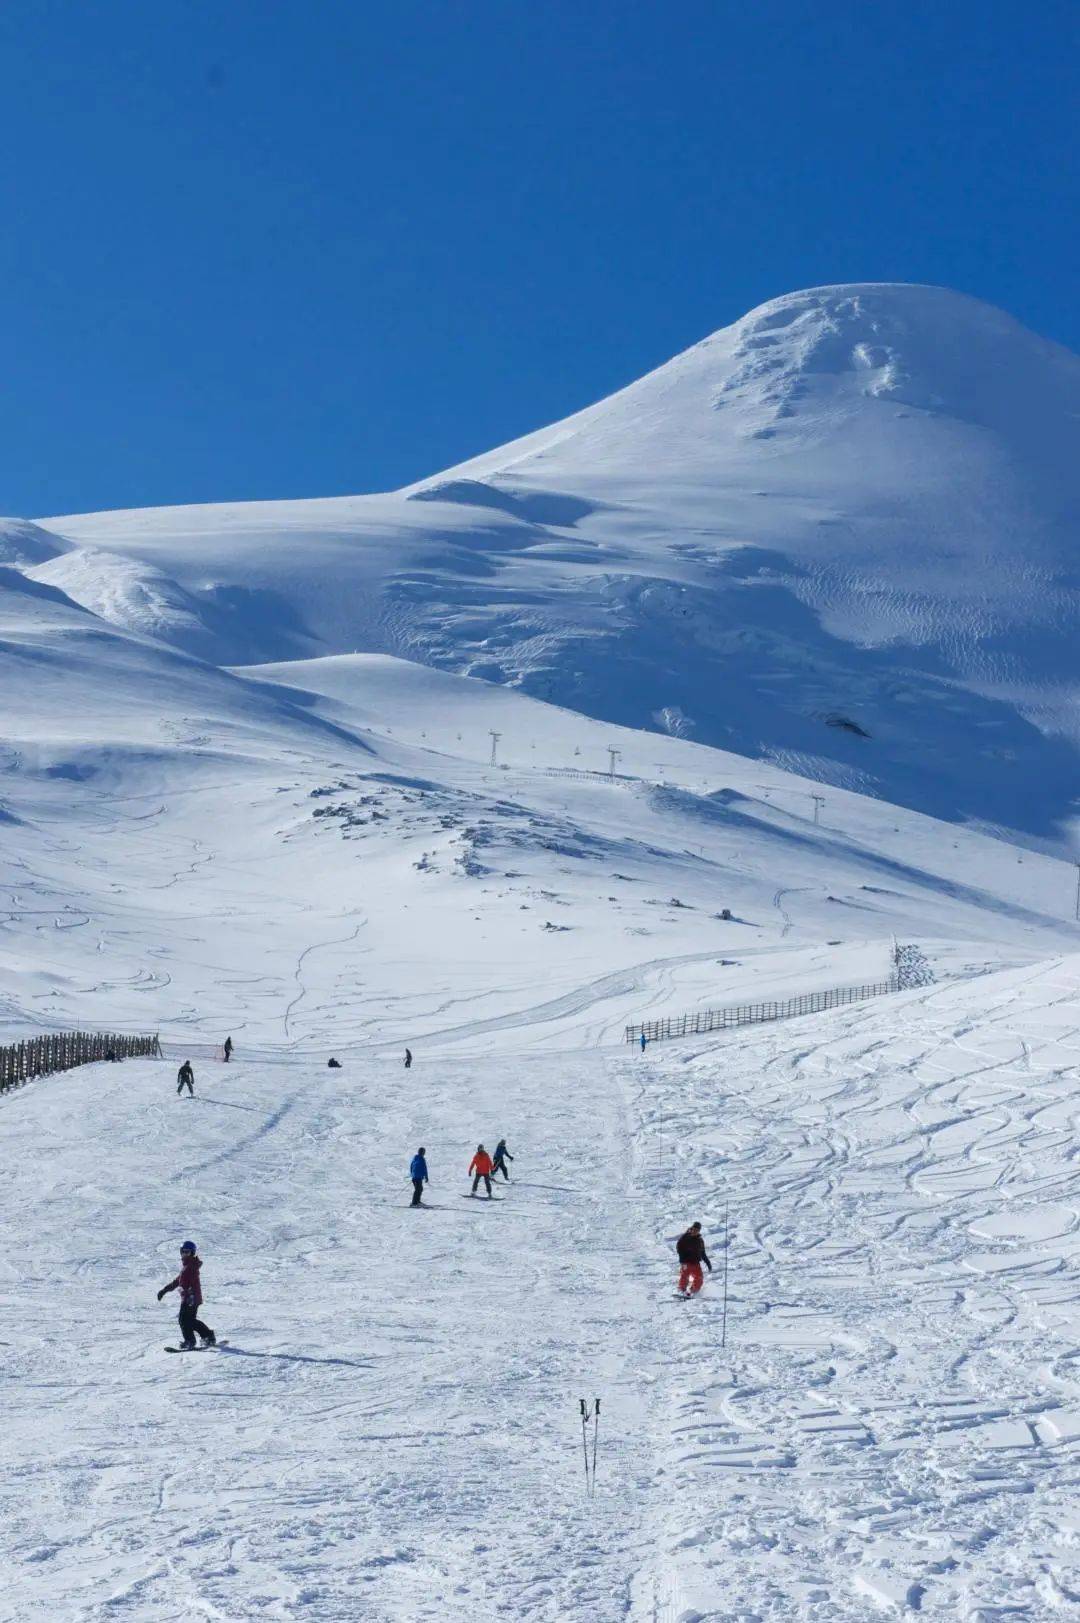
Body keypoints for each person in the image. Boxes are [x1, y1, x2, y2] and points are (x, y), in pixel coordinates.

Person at [157, 1239, 215, 1347]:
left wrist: (191, 1295)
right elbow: (177, 1282)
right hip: (191, 1298)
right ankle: (208, 1336)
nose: (184, 1254)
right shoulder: (187, 1267)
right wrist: (164, 1290)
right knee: (190, 1321)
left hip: (190, 1298)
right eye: (183, 1251)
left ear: (192, 1253)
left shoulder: (191, 1267)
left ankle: (190, 1341)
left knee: (183, 1320)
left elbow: (193, 1282)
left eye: (187, 1252)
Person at [675, 1222, 712, 1296]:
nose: (695, 1231)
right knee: (684, 1275)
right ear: (691, 1229)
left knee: (699, 1278)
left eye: (697, 1230)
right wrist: (682, 1259)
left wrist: (708, 1263)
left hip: (695, 1263)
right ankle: (681, 1290)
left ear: (699, 1231)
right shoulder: (685, 1237)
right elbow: (679, 1247)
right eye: (694, 1229)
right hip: (686, 1262)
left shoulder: (700, 1240)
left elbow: (703, 1253)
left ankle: (692, 1292)